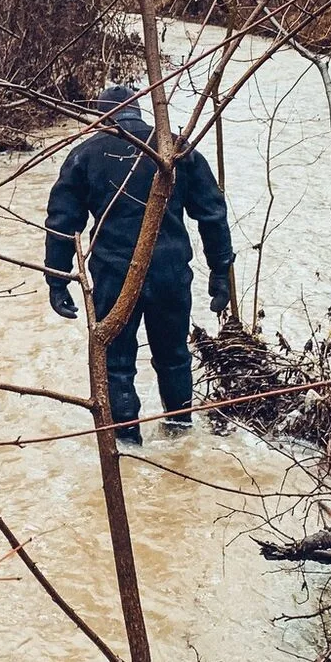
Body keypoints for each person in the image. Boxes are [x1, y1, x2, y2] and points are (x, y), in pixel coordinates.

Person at [44, 85, 234, 445]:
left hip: (114, 274)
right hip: (171, 273)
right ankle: (179, 437)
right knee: (175, 357)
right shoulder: (175, 148)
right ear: (141, 112)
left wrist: (57, 280)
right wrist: (220, 271)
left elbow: (61, 222)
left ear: (103, 116)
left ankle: (127, 447)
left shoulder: (85, 155)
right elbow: (212, 213)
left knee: (115, 365)